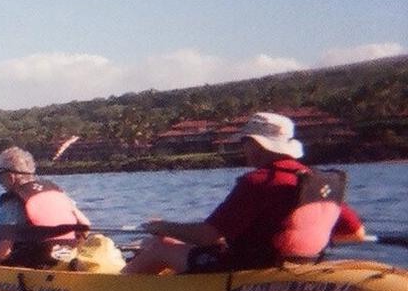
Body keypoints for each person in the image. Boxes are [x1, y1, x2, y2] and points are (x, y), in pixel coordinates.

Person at [125, 112, 367, 275]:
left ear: (257, 144)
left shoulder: (259, 181)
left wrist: (163, 226)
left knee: (159, 246)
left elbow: (206, 235)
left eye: (245, 143)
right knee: (158, 242)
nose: (244, 150)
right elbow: (356, 233)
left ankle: (114, 285)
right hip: (302, 264)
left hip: (246, 268)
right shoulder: (317, 181)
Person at [0, 146, 91, 268]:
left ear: (11, 177)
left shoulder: (13, 201)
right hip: (68, 254)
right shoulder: (55, 190)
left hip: (36, 261)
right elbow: (85, 224)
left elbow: (1, 254)